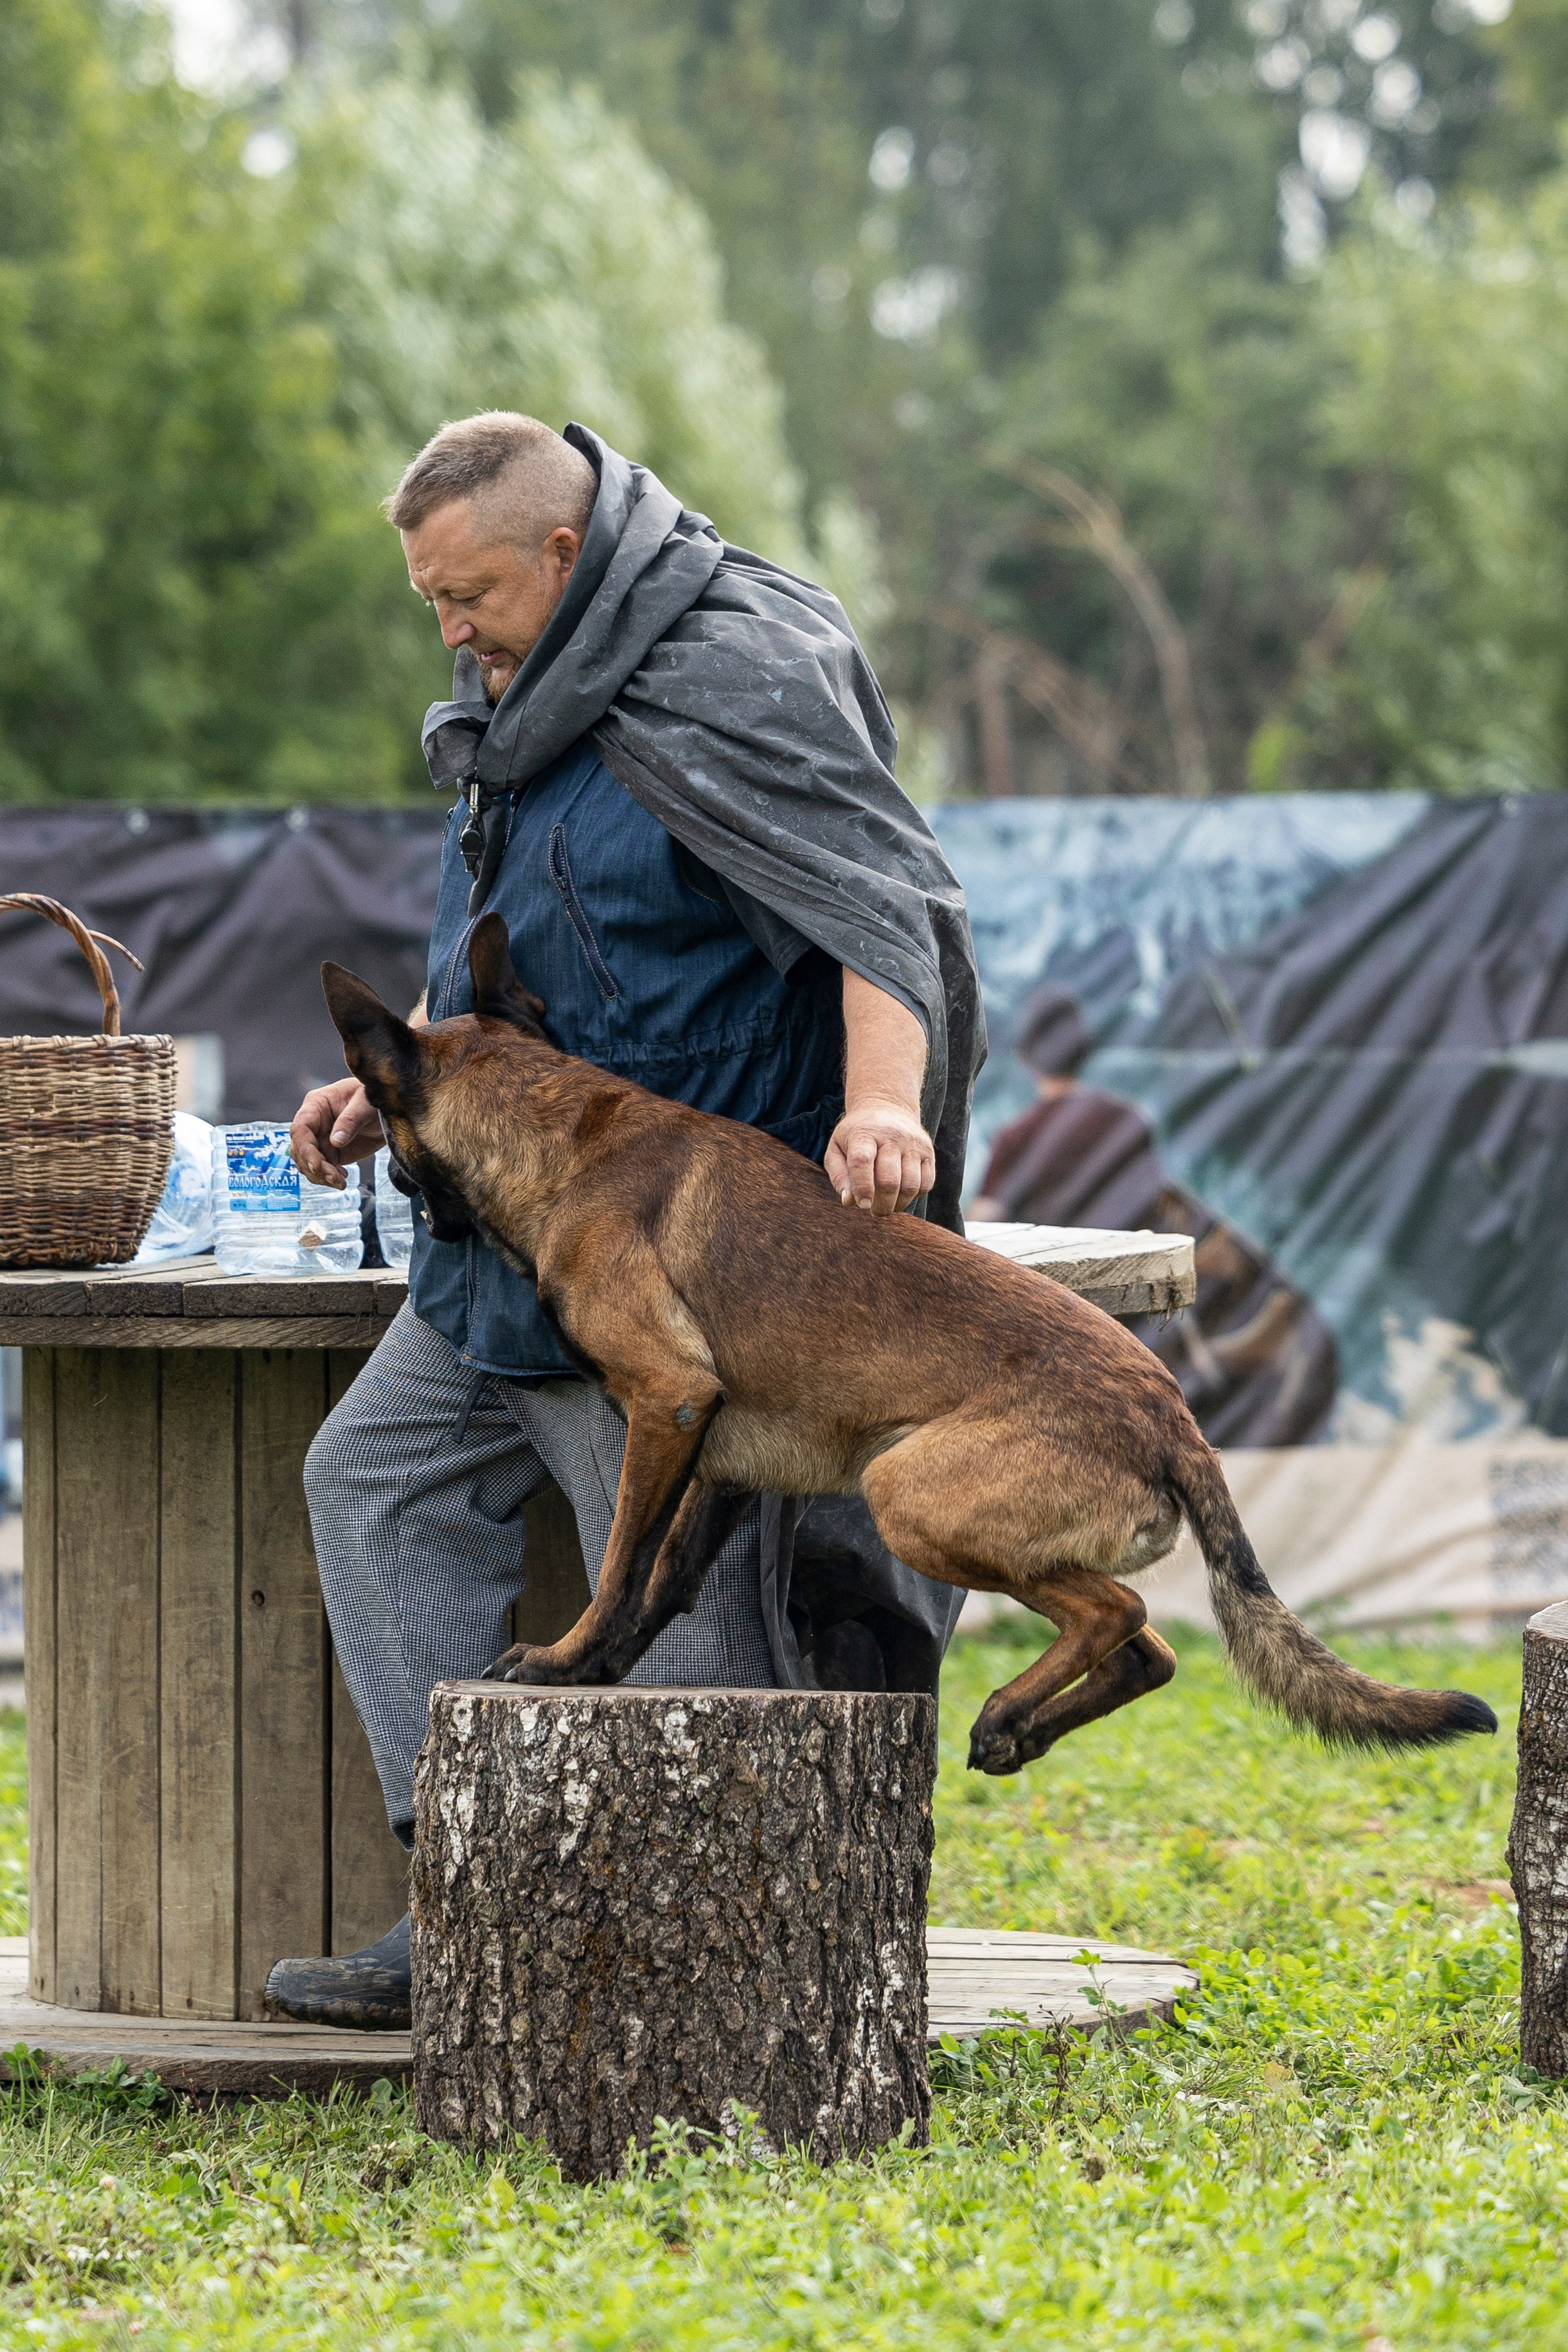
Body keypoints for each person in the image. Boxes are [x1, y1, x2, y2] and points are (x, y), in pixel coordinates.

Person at [268, 413, 984, 2027]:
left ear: (564, 555)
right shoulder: (520, 686)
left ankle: (734, 1976)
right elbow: (511, 954)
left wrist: (879, 1109)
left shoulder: (742, 664)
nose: (446, 632)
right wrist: (404, 1092)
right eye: (428, 602)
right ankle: (466, 1897)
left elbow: (889, 912)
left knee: (685, 1614)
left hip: (687, 1251)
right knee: (372, 1480)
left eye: (464, 595)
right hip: (510, 1225)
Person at [969, 983, 1337, 1448]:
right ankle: (1232, 1353)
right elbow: (1166, 1211)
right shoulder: (1128, 1120)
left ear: (1026, 1058)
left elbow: (981, 1225)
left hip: (1069, 1322)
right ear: (1085, 1050)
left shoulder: (1017, 1137)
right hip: (1143, 1312)